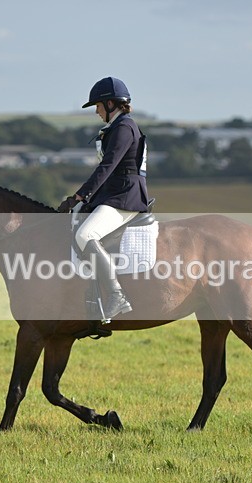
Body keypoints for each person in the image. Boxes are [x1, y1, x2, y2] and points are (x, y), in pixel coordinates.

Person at [57, 76, 149, 322]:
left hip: (124, 196)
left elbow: (107, 167)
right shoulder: (117, 127)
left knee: (85, 235)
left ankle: (116, 296)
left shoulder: (124, 128)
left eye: (98, 106)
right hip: (114, 194)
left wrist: (80, 195)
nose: (96, 111)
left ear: (111, 104)